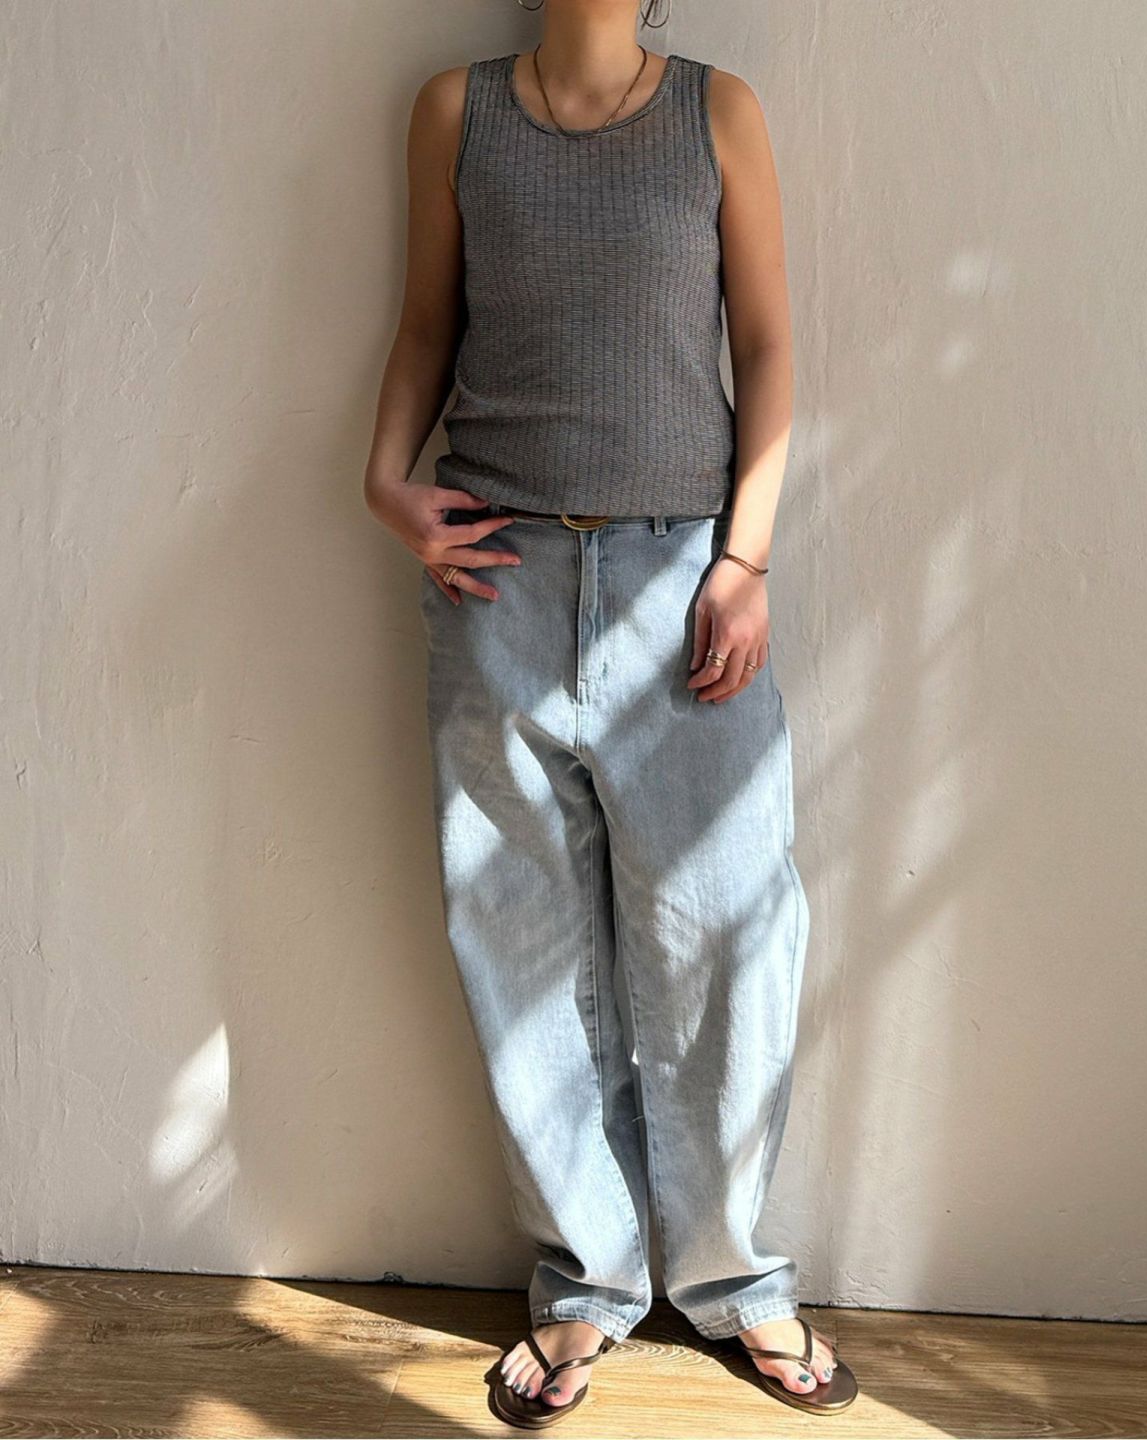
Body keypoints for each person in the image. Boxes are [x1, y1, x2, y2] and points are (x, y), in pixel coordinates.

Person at [364, 0, 857, 1426]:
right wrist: (384, 482)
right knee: (519, 946)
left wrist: (744, 563)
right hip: (496, 580)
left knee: (728, 940)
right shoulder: (456, 110)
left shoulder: (717, 110)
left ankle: (735, 1278)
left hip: (683, 588)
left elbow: (768, 349)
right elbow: (425, 325)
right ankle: (585, 1282)